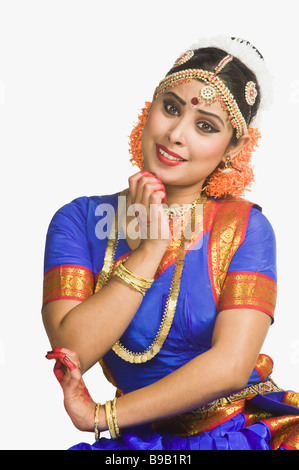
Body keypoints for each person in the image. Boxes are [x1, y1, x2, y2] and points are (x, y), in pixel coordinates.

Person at [43, 36, 299, 450]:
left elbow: (232, 365)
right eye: (172, 107)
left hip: (236, 434)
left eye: (205, 126)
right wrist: (148, 251)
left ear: (235, 146)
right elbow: (72, 351)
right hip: (137, 444)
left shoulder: (246, 228)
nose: (176, 134)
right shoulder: (78, 221)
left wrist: (101, 416)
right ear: (151, 107)